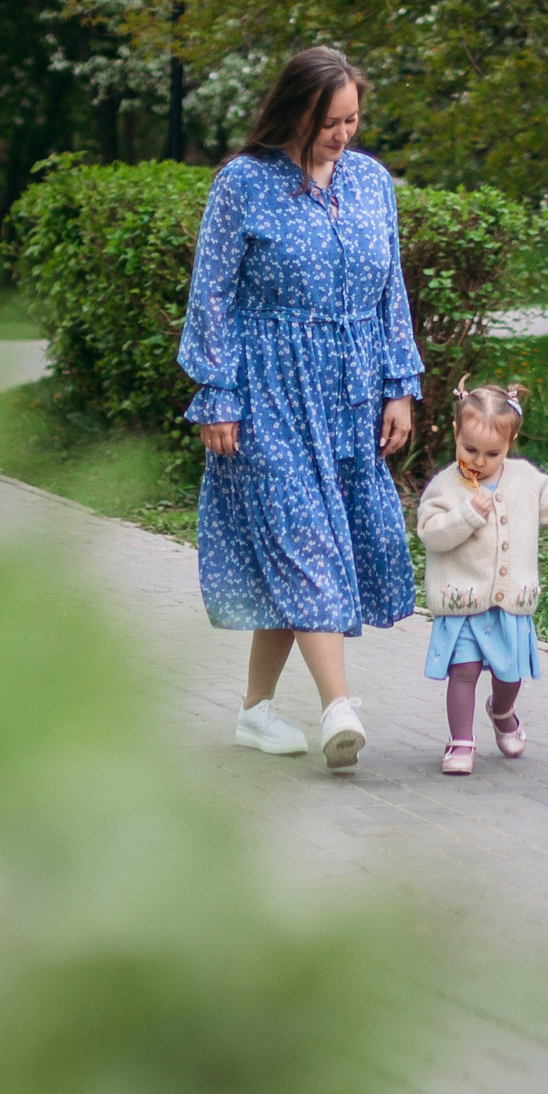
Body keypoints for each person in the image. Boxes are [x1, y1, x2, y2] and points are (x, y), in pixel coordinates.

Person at [180, 46, 421, 771]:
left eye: (353, 119)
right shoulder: (242, 185)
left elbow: (392, 293)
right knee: (304, 540)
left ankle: (255, 713)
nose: (345, 133)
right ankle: (338, 706)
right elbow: (212, 295)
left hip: (349, 392)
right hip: (267, 392)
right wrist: (217, 393)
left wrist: (399, 384)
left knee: (302, 548)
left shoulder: (373, 182)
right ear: (296, 111)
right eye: (331, 121)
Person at [415, 381, 548, 775]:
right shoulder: (446, 486)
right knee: (462, 672)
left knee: (508, 672)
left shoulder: (526, 480)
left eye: (492, 453)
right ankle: (460, 740)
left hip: (509, 602)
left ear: (510, 442)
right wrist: (466, 515)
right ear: (455, 434)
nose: (479, 460)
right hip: (463, 602)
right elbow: (430, 533)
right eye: (470, 449)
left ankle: (502, 710)